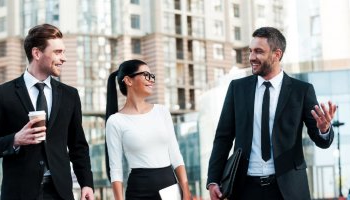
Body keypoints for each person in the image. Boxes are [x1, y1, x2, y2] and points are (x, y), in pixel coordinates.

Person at [207, 27, 336, 200]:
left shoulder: (301, 91)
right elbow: (223, 137)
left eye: (259, 51)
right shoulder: (237, 88)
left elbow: (322, 141)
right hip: (245, 189)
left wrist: (324, 129)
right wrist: (213, 180)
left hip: (288, 190)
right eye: (250, 51)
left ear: (277, 54)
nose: (252, 57)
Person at [0, 24, 94, 200]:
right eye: (58, 52)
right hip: (19, 193)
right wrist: (15, 139)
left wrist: (86, 183)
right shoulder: (2, 94)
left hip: (60, 193)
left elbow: (78, 145)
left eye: (63, 52)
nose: (64, 58)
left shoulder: (70, 95)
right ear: (37, 53)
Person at [105, 59, 192, 199]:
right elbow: (116, 169)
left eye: (152, 76)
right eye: (146, 75)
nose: (151, 80)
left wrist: (186, 191)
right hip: (139, 191)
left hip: (170, 189)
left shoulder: (162, 112)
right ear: (128, 80)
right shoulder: (115, 121)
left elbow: (175, 155)